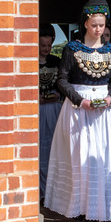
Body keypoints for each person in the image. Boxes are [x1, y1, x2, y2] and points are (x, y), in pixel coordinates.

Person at [44, 0, 111, 222]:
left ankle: (101, 209)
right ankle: (80, 207)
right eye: (94, 25)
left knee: (102, 157)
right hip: (78, 107)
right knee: (80, 157)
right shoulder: (72, 49)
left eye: (101, 25)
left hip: (103, 109)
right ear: (85, 23)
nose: (98, 29)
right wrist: (80, 101)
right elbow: (62, 81)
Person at [38, 24, 63, 203]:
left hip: (53, 108)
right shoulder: (29, 61)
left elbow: (62, 83)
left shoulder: (56, 61)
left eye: (49, 46)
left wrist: (57, 94)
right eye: (42, 46)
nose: (46, 49)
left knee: (53, 146)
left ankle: (52, 190)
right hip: (37, 109)